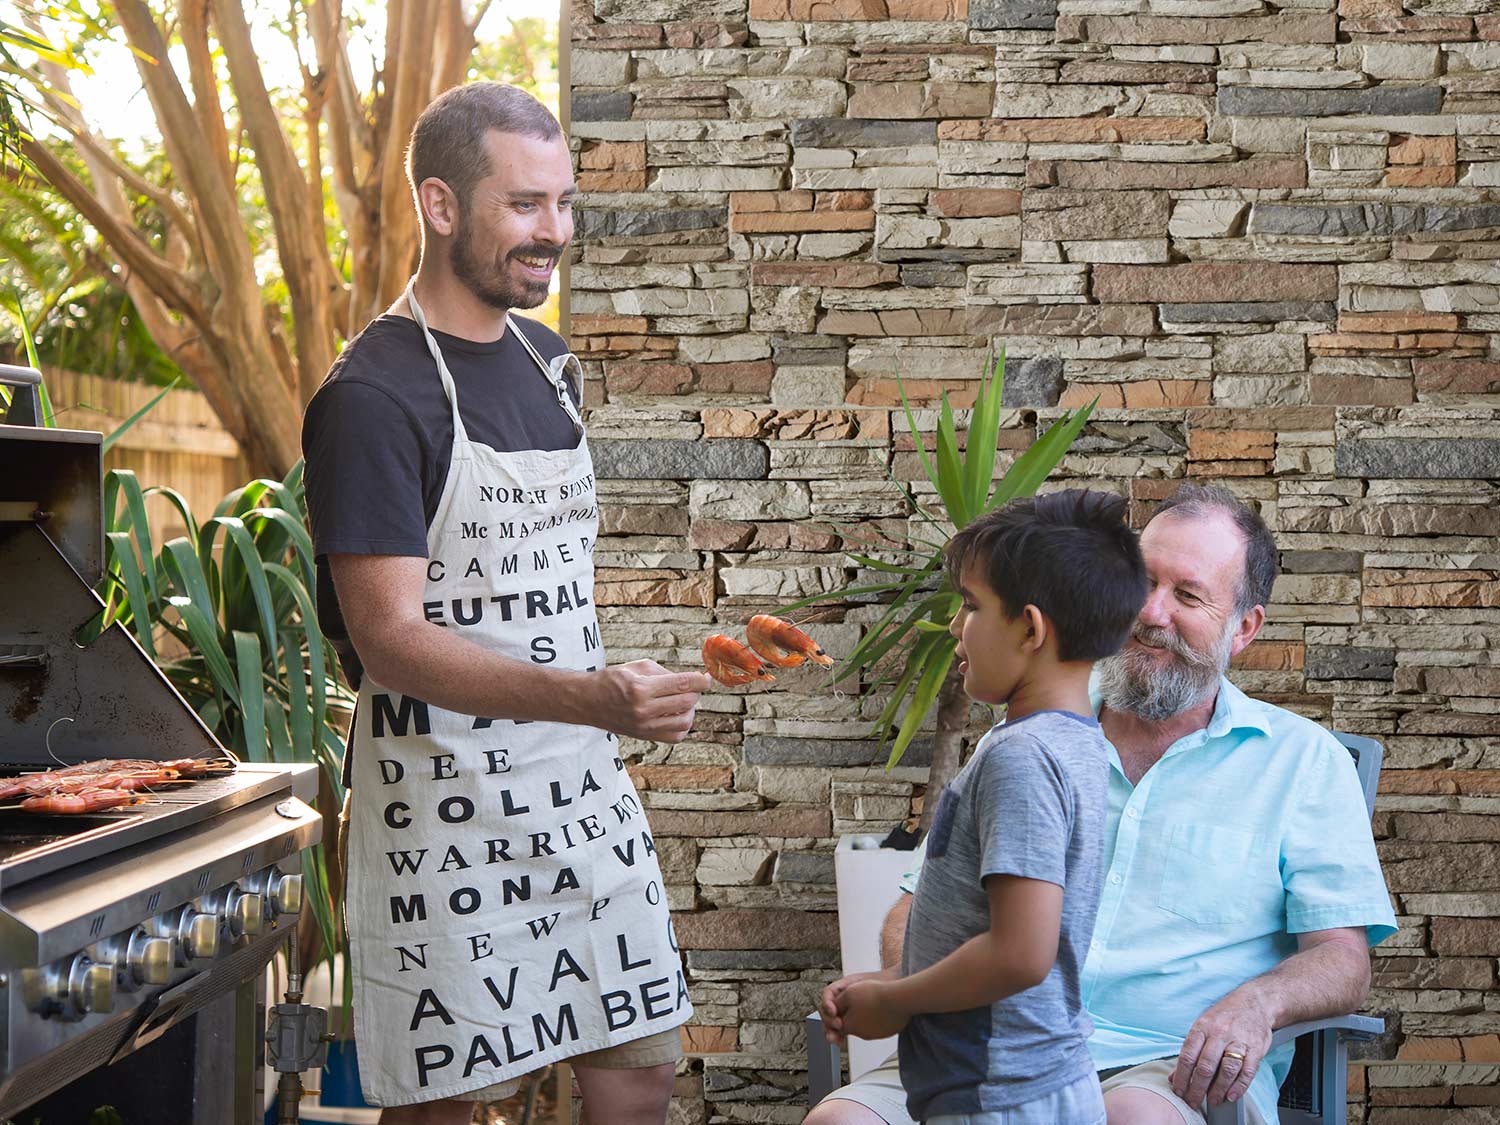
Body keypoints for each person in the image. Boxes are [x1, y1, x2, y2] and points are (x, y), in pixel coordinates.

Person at [302, 83, 711, 1123]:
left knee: (640, 1071)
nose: (555, 234)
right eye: (526, 206)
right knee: (446, 1103)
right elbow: (389, 639)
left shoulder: (551, 365)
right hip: (444, 811)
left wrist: (612, 702)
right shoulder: (369, 398)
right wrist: (593, 700)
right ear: (442, 207)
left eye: (564, 205)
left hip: (579, 795)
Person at [812, 483, 1397, 1125]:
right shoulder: (1024, 738)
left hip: (1167, 1068)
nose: (1151, 612)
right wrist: (915, 993)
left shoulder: (1303, 763)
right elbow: (918, 905)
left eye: (1189, 594)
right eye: (1142, 581)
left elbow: (1342, 958)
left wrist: (1257, 1004)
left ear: (1244, 629)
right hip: (988, 1050)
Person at [824, 490, 1149, 1124]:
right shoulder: (1072, 741)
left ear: (1030, 628)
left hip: (1002, 1093)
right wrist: (893, 983)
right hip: (1017, 1084)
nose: (953, 626)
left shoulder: (1023, 757)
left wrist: (902, 1003)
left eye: (971, 606)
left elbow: (1020, 953)